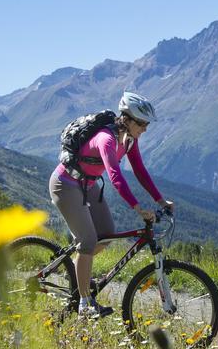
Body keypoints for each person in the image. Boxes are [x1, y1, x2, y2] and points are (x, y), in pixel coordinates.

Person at [49, 92, 174, 318]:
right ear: (127, 119)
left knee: (106, 235)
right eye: (142, 123)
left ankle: (79, 273)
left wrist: (160, 200)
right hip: (65, 185)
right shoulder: (107, 139)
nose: (145, 128)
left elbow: (139, 171)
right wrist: (137, 208)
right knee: (88, 241)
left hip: (88, 184)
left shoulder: (129, 140)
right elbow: (115, 176)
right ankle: (85, 303)